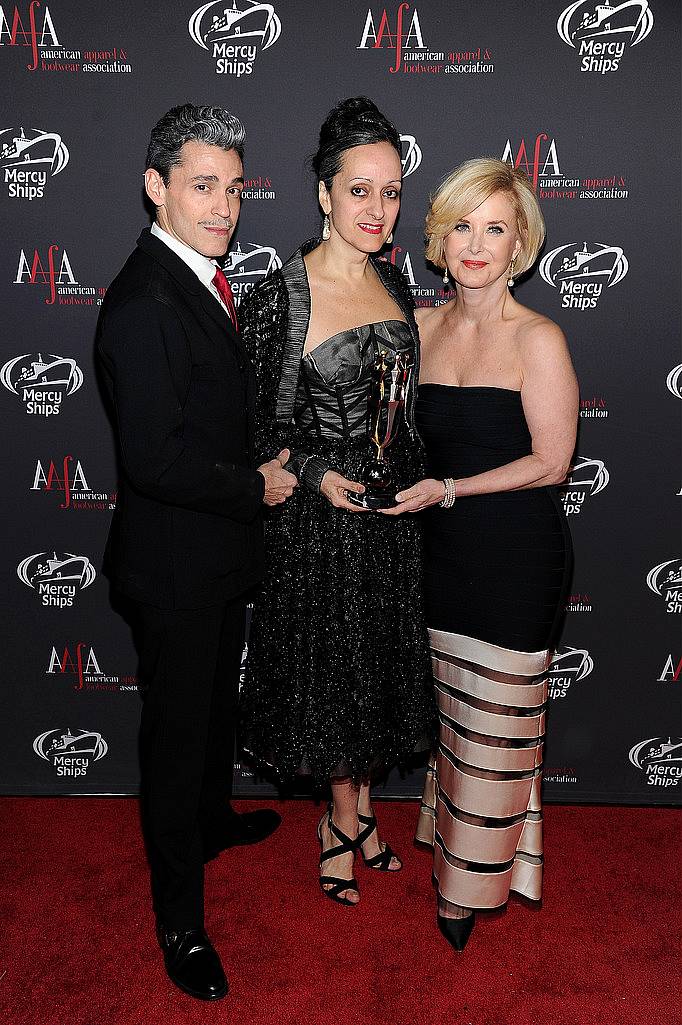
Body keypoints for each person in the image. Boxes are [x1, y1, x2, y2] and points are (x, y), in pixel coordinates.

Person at [96, 104, 297, 1000]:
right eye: (202, 186)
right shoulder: (145, 298)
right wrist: (256, 485)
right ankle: (180, 922)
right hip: (176, 566)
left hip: (214, 554)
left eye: (234, 188)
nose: (223, 207)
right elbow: (155, 458)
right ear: (157, 188)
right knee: (177, 743)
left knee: (215, 711)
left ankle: (212, 820)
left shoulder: (200, 277)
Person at [239, 97, 435, 907]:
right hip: (319, 525)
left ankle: (351, 812)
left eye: (391, 192)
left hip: (389, 519)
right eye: (360, 191)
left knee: (373, 673)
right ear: (323, 193)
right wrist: (316, 470)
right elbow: (253, 430)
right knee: (333, 677)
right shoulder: (281, 297)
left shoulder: (394, 278)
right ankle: (340, 820)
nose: (378, 210)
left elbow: (404, 405)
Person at [383, 158, 577, 951]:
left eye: (494, 228)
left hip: (514, 562)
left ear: (519, 243)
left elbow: (551, 462)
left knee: (498, 735)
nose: (475, 243)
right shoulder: (419, 328)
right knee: (455, 726)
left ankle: (466, 891)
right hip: (434, 560)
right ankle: (454, 853)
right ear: (439, 236)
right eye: (462, 225)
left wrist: (450, 490)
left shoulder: (539, 337)